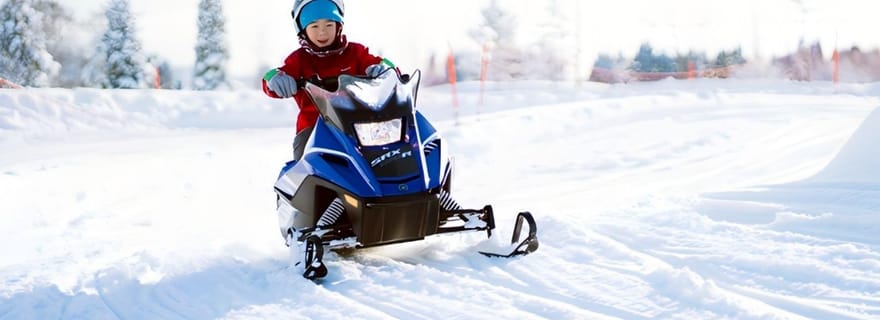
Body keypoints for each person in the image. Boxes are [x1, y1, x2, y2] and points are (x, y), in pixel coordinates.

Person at [261, 0, 395, 161]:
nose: (322, 32)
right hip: (315, 127)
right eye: (314, 26)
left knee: (393, 147)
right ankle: (308, 181)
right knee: (307, 159)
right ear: (303, 30)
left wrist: (384, 69)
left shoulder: (356, 53)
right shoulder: (299, 60)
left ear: (339, 26)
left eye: (329, 25)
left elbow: (384, 65)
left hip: (361, 124)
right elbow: (274, 78)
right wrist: (274, 79)